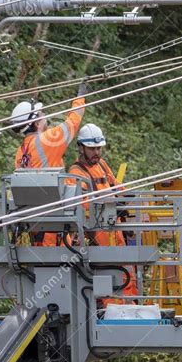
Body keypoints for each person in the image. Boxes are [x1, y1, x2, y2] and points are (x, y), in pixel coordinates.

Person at [10, 82, 87, 246]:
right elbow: (72, 122)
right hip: (54, 223)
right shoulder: (47, 141)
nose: (45, 115)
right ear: (37, 123)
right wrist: (80, 98)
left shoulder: (21, 151)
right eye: (41, 114)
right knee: (52, 265)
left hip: (36, 225)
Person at [66, 123, 138, 299]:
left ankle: (129, 312)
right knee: (106, 283)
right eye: (92, 149)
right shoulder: (75, 174)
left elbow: (116, 188)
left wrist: (125, 197)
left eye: (98, 148)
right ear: (81, 148)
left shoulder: (103, 166)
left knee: (127, 276)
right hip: (96, 241)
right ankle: (111, 316)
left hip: (115, 235)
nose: (96, 153)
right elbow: (80, 209)